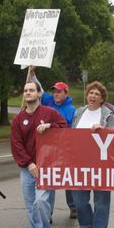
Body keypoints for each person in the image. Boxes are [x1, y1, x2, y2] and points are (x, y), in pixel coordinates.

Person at [11, 81, 67, 228]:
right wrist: (28, 163)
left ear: (39, 94)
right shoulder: (18, 119)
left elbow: (65, 128)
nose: (28, 93)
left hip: (46, 166)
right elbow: (16, 144)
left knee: (41, 201)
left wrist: (51, 126)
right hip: (27, 168)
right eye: (25, 90)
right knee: (30, 205)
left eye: (31, 90)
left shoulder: (49, 113)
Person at [72, 81, 114, 228]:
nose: (93, 96)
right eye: (91, 93)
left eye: (97, 94)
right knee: (79, 200)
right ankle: (88, 226)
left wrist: (104, 129)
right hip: (79, 164)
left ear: (102, 99)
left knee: (101, 202)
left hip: (101, 165)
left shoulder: (107, 114)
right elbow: (68, 133)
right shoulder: (79, 112)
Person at [41, 80, 78, 219]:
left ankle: (73, 207)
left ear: (66, 93)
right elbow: (36, 86)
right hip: (49, 149)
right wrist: (32, 73)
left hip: (66, 148)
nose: (56, 94)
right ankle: (48, 212)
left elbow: (74, 130)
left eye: (59, 91)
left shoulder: (72, 110)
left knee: (68, 178)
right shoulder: (48, 102)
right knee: (50, 179)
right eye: (54, 91)